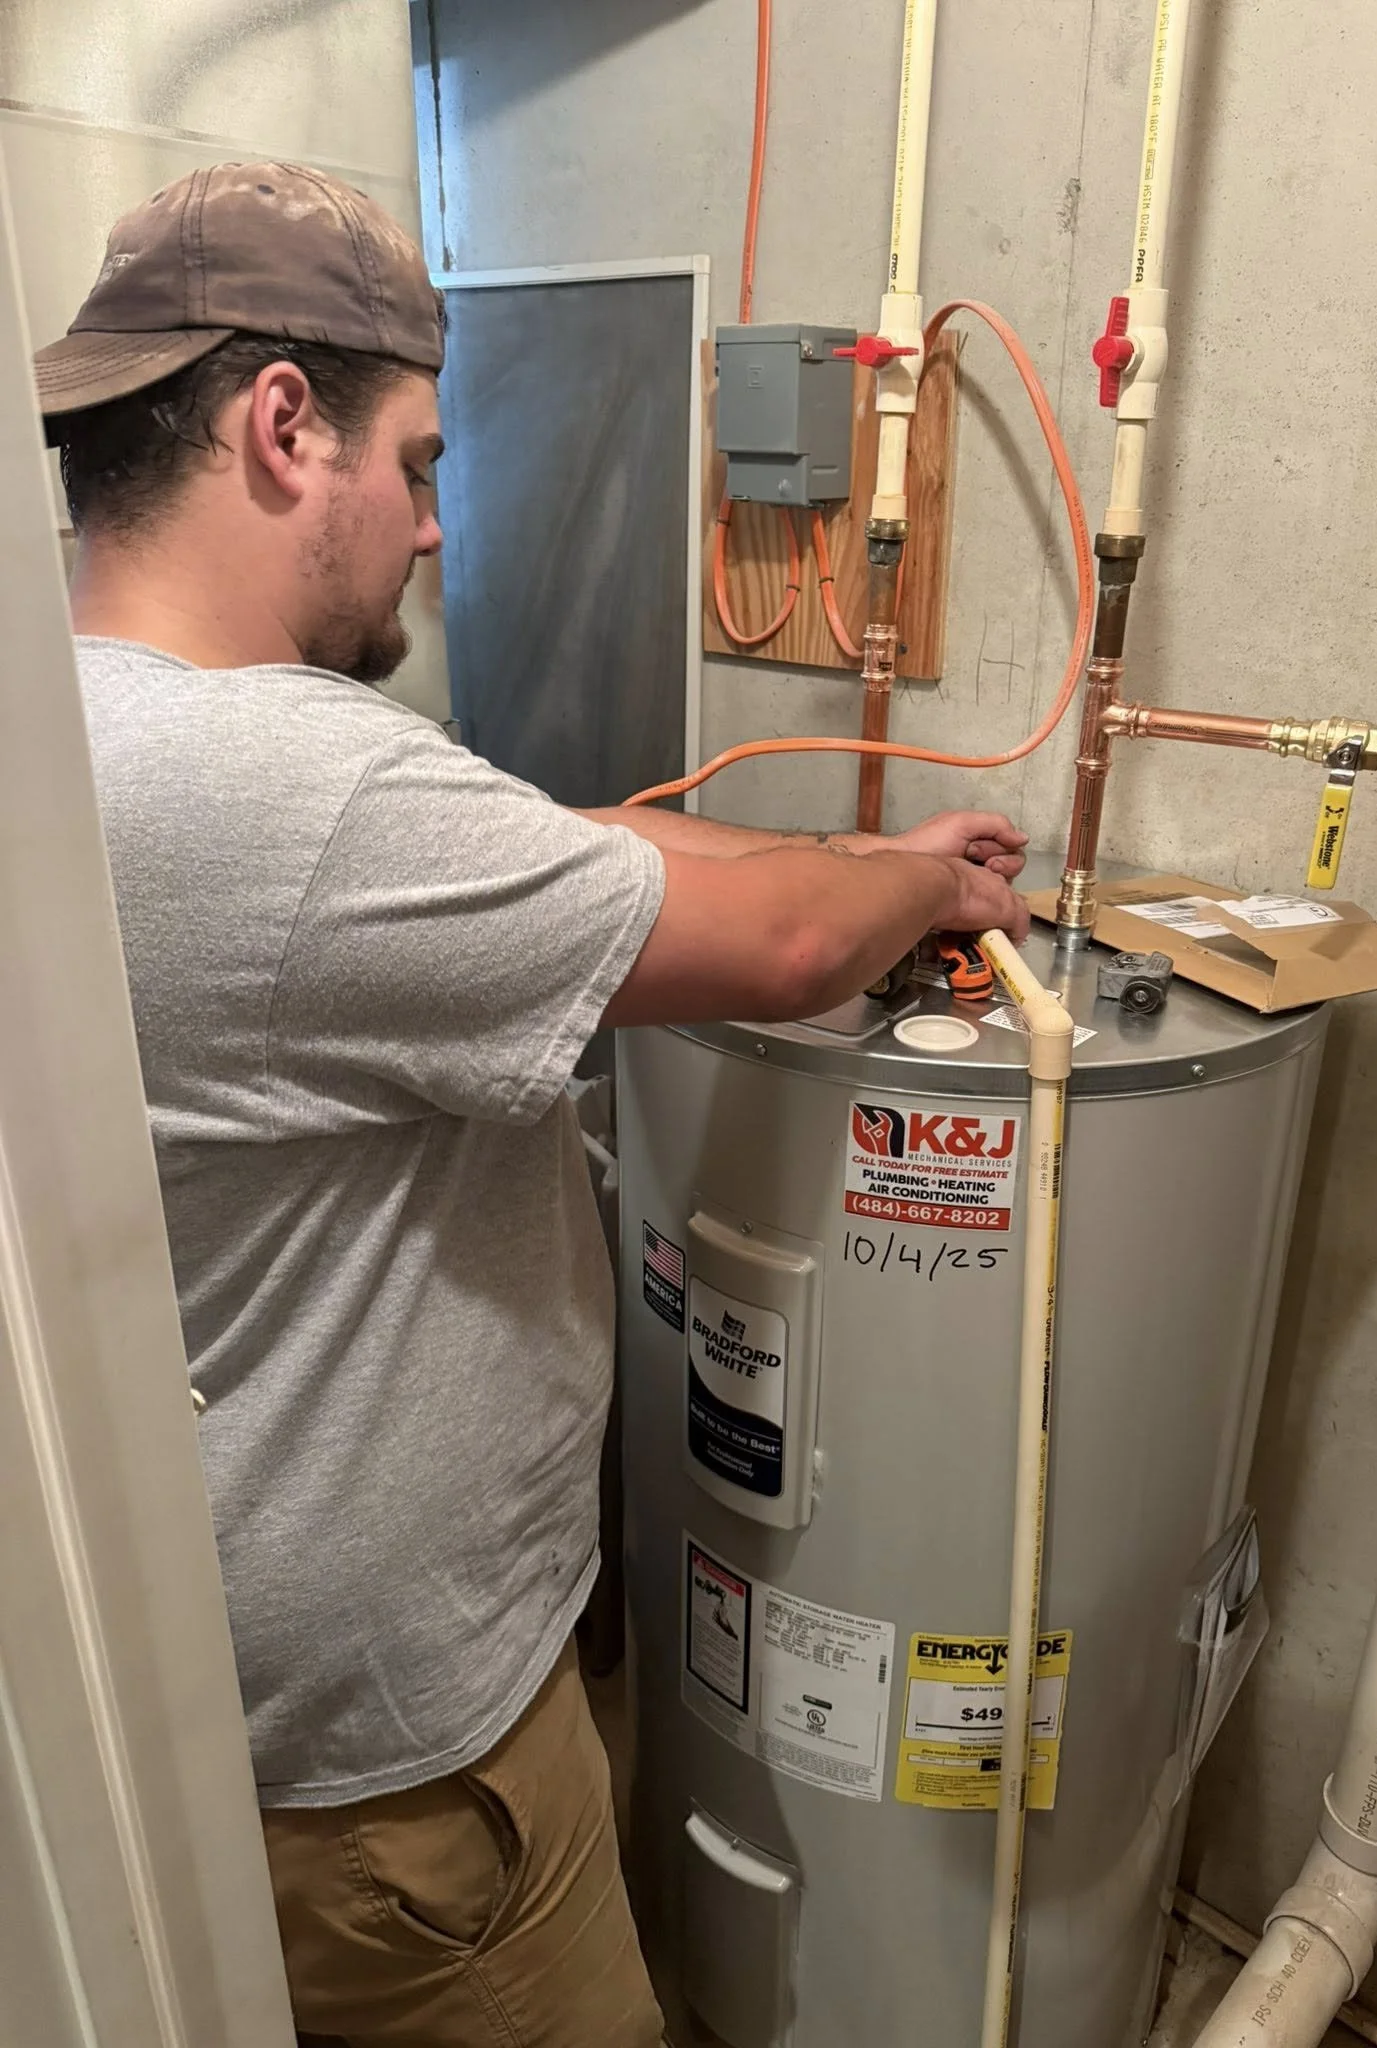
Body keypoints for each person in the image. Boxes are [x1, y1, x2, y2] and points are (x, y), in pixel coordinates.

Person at [35, 162, 1029, 2048]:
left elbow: (556, 847)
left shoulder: (70, 726)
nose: (428, 527)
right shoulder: (298, 792)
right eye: (415, 466)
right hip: (408, 1793)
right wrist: (924, 879)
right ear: (280, 425)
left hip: (207, 1715)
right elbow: (800, 947)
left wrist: (834, 858)